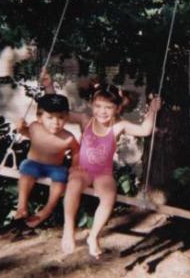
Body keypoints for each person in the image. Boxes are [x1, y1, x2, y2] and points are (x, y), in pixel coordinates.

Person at [44, 77, 161, 257]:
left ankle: (93, 236)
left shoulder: (118, 126)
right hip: (81, 169)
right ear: (92, 105)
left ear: (117, 109)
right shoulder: (85, 120)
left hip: (102, 172)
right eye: (98, 106)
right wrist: (48, 86)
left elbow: (145, 130)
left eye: (108, 108)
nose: (102, 112)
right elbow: (57, 110)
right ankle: (69, 229)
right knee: (73, 186)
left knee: (109, 195)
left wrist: (153, 110)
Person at [14, 93, 80, 228]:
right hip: (34, 164)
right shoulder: (34, 127)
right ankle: (22, 206)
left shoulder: (68, 138)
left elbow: (76, 150)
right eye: (50, 117)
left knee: (61, 176)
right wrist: (20, 127)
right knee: (26, 169)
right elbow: (25, 132)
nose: (55, 122)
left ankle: (47, 210)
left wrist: (74, 165)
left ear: (66, 117)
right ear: (39, 117)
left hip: (55, 167)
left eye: (61, 117)